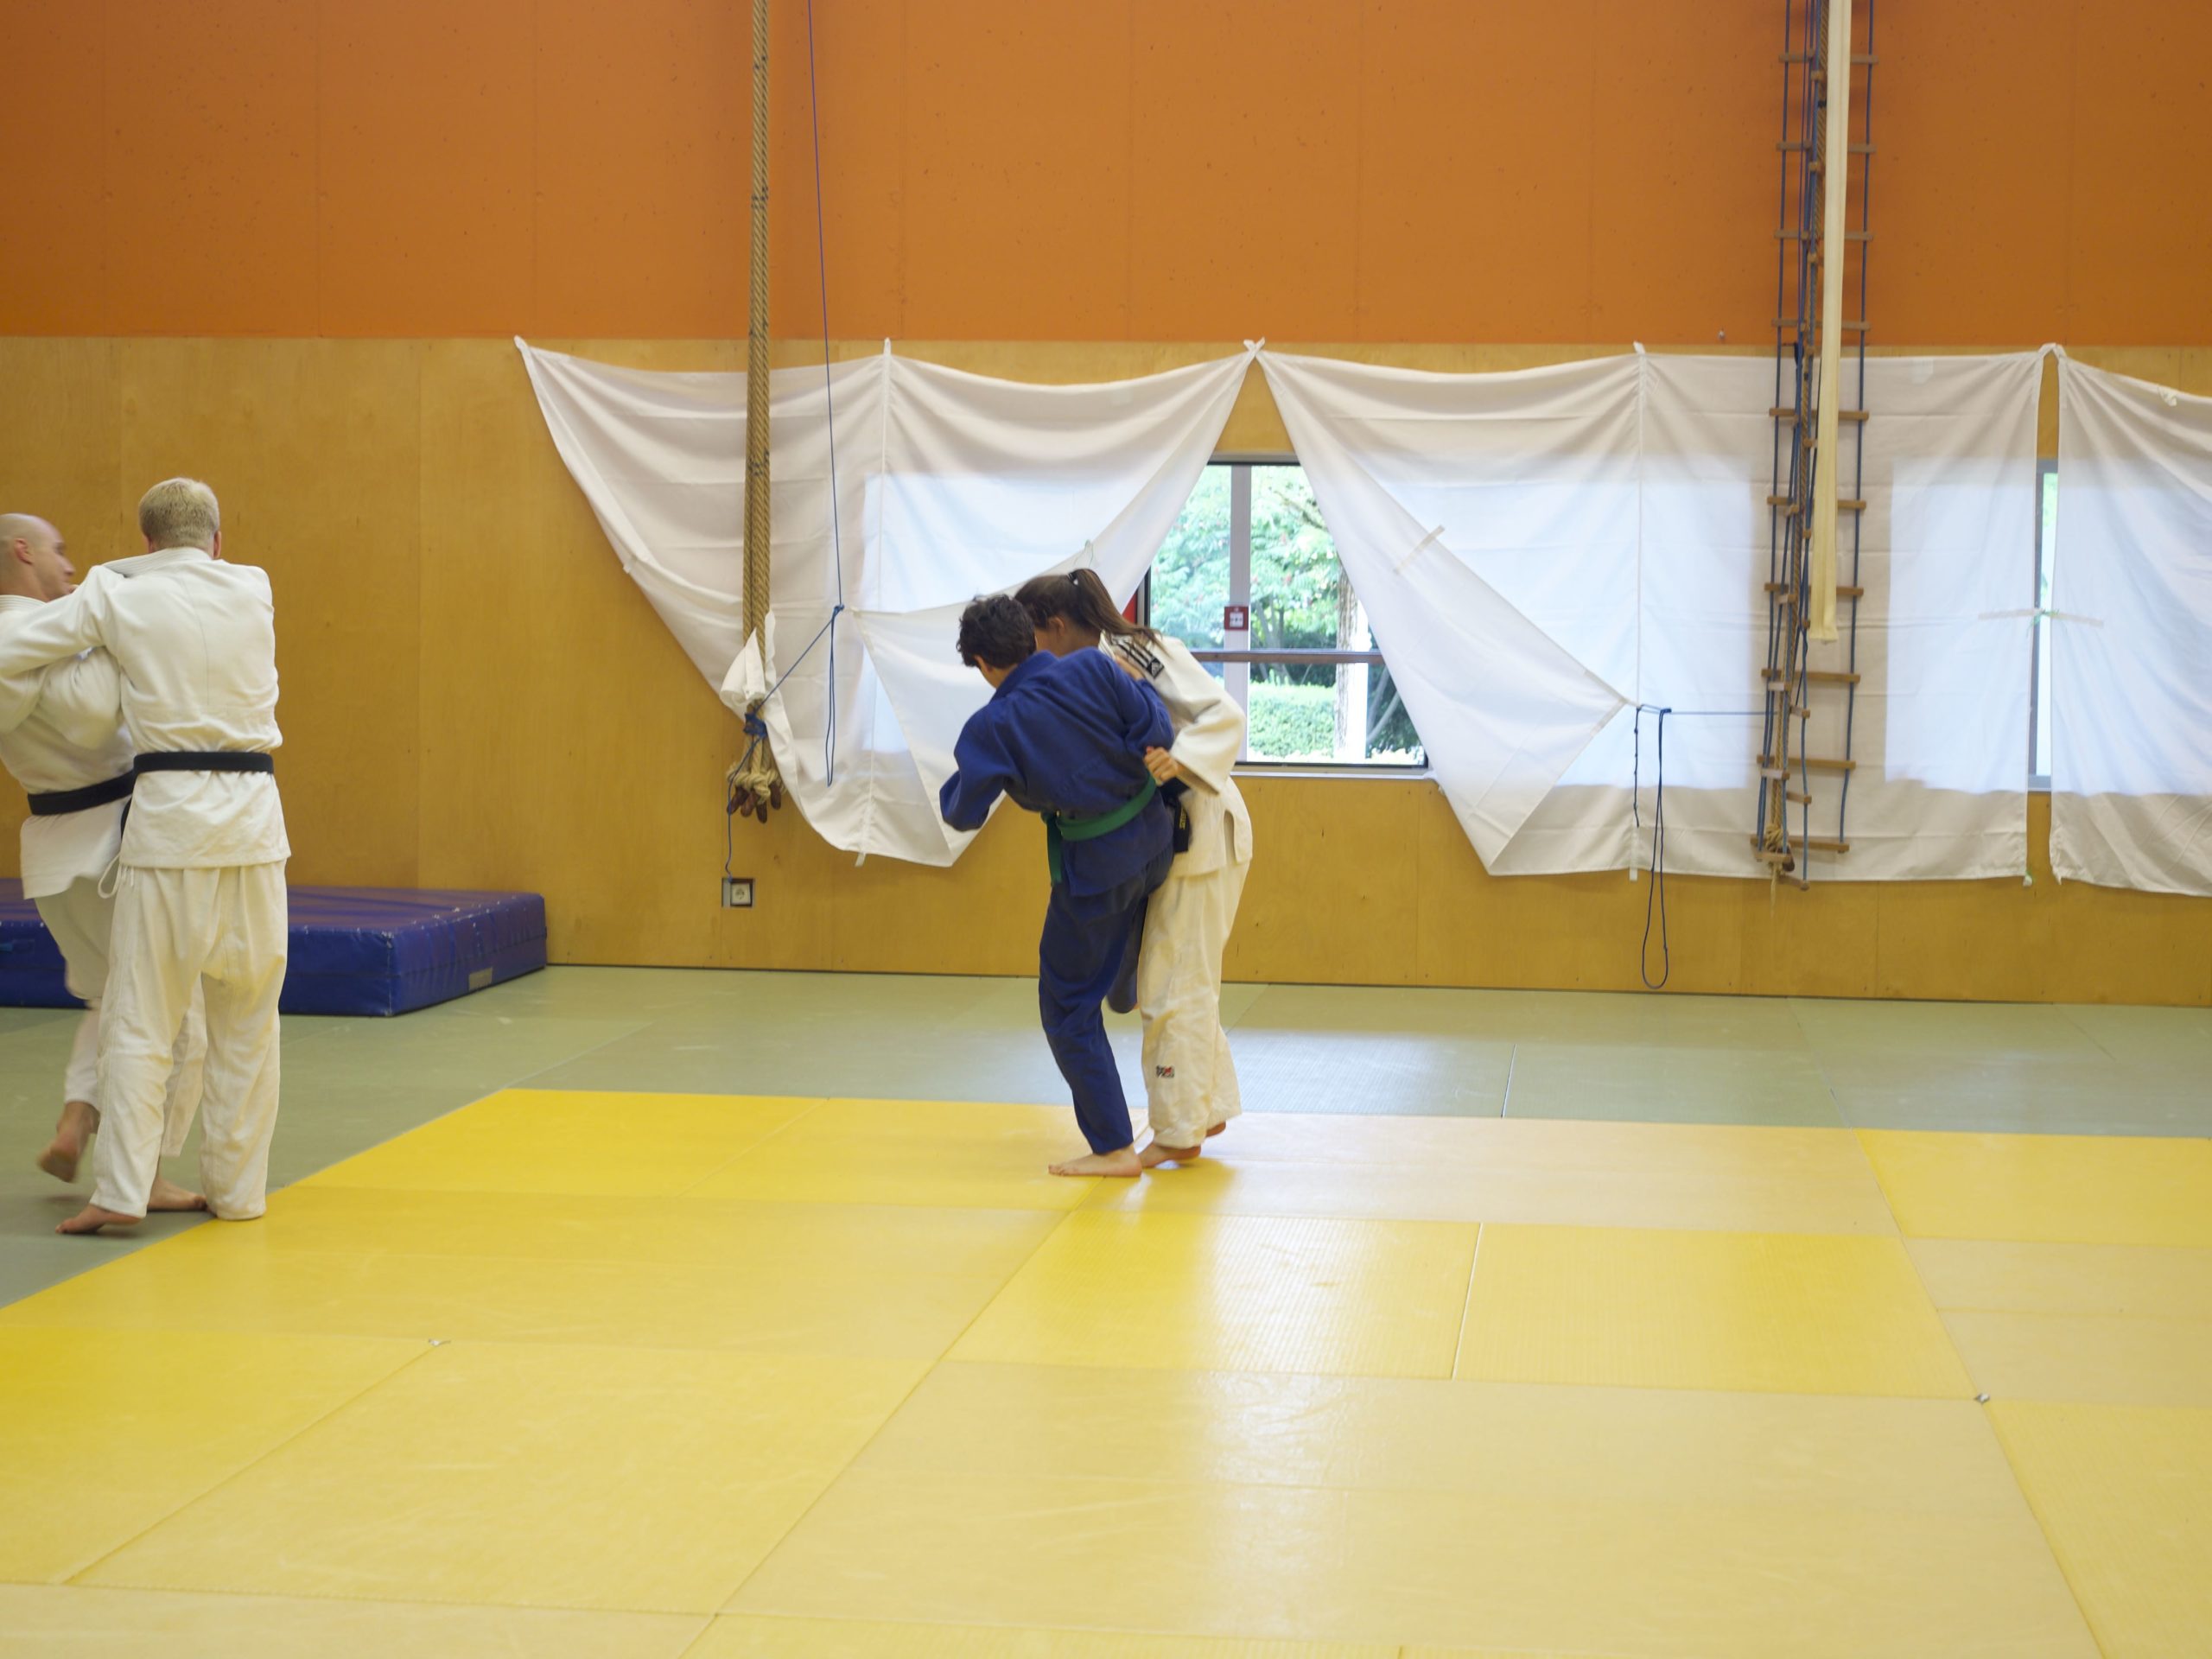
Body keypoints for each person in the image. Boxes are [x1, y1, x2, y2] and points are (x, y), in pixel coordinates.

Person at [0, 480, 289, 1236]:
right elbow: (191, 570)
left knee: (141, 1015)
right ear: (218, 542)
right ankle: (240, 1193)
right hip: (258, 825)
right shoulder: (254, 587)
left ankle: (123, 1192)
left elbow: (12, 644)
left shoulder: (113, 593)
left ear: (147, 542)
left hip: (171, 825)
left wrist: (114, 580)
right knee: (248, 1018)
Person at [0, 513, 207, 1205]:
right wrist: (109, 638)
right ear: (22, 551)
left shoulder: (29, 638)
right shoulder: (46, 630)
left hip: (54, 856)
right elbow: (92, 719)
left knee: (111, 997)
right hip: (111, 846)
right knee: (169, 1008)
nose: (69, 564)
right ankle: (141, 1174)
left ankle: (77, 1118)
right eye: (58, 550)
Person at [1018, 569, 1252, 1166]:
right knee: (1180, 976)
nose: (1031, 654)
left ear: (1057, 626)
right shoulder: (1089, 666)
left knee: (1171, 983)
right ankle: (1205, 1108)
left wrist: (1180, 759)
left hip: (1202, 827)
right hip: (1172, 835)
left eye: (1032, 638)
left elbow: (1224, 714)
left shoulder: (1136, 650)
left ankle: (1177, 1132)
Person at [939, 593, 1175, 1178]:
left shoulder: (993, 725)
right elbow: (1156, 725)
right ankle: (1122, 977)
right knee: (1119, 924)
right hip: (1156, 842)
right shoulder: (1094, 666)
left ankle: (1114, 1147)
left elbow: (963, 813)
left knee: (1066, 1005)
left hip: (1097, 870)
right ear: (1031, 636)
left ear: (982, 664)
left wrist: (961, 783)